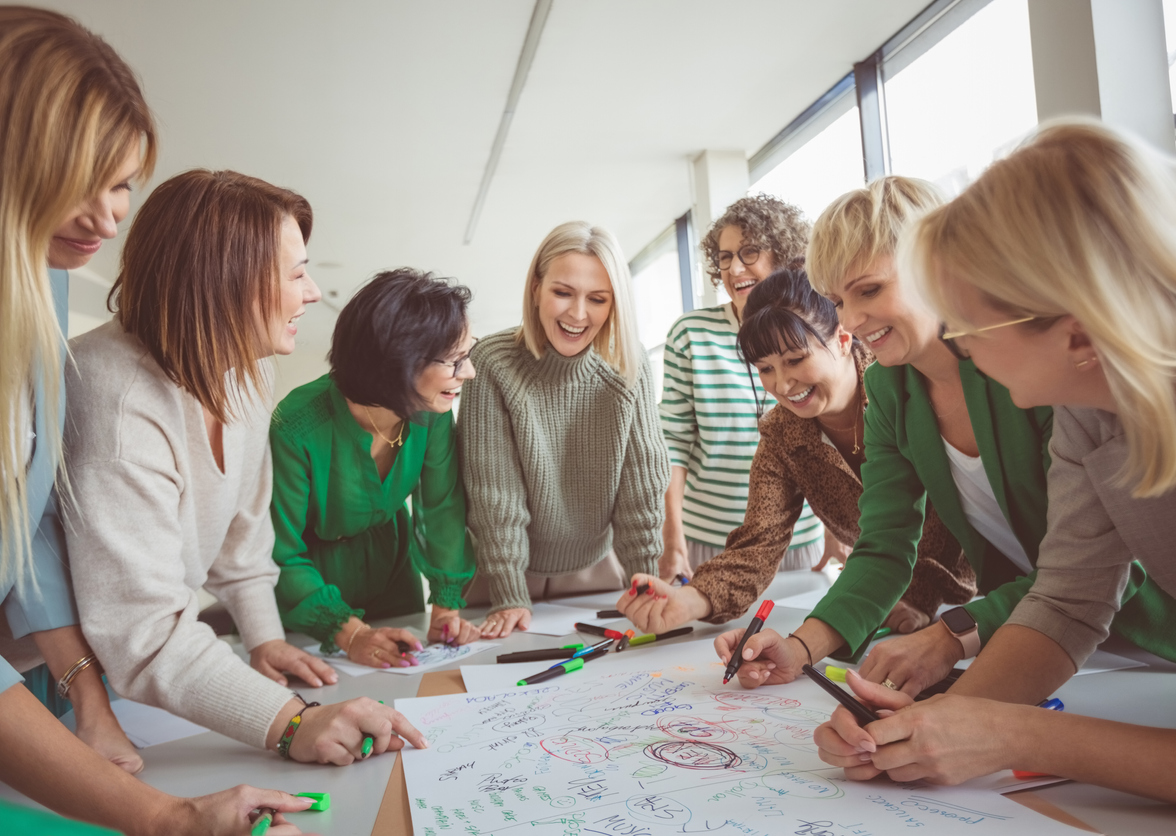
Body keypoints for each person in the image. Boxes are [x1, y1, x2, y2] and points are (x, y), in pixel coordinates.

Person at [816, 119, 1176, 815]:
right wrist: (934, 728)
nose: (956, 347)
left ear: (1077, 332)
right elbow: (1070, 596)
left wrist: (1020, 735)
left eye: (964, 327)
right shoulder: (1094, 402)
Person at [714, 175, 1176, 695]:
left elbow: (1104, 555)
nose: (853, 317)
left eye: (871, 290)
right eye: (838, 301)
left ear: (936, 268)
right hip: (1043, 636)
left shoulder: (1036, 368)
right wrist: (803, 646)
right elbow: (883, 547)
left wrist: (954, 634)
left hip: (1175, 640)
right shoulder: (890, 392)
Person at [0, 7, 313, 834]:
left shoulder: (39, 289)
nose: (109, 219)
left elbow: (23, 530)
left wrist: (261, 638)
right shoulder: (108, 382)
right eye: (86, 177)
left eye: (123, 186)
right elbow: (131, 625)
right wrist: (168, 812)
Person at [64, 169, 429, 767]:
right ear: (226, 283)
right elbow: (145, 635)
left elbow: (244, 536)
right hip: (53, 677)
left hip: (137, 672)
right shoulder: (117, 402)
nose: (312, 293)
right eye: (296, 274)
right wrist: (293, 724)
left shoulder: (245, 367)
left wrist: (265, 639)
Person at [620, 269, 974, 641]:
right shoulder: (780, 434)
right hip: (886, 605)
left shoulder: (905, 381)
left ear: (841, 338)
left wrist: (921, 594)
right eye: (765, 369)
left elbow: (955, 504)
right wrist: (687, 601)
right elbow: (759, 541)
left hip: (981, 587)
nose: (783, 385)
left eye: (795, 359)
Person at [459, 221, 669, 638]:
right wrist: (510, 593)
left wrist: (648, 583)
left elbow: (640, 492)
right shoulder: (492, 363)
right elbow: (494, 496)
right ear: (536, 287)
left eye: (597, 299)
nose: (578, 314)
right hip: (502, 573)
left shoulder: (629, 366)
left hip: (598, 567)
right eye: (562, 292)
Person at [271, 268, 479, 662]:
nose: (468, 372)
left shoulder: (431, 411)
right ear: (399, 363)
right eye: (455, 361)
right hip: (305, 593)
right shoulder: (295, 427)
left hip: (391, 572)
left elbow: (442, 508)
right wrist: (349, 635)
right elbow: (278, 551)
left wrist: (446, 610)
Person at [658, 196, 827, 581]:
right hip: (709, 542)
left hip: (798, 541)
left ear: (782, 256)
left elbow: (830, 430)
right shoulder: (691, 335)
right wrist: (673, 541)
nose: (734, 268)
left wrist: (837, 529)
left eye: (749, 252)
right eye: (725, 256)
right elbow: (673, 446)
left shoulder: (812, 325)